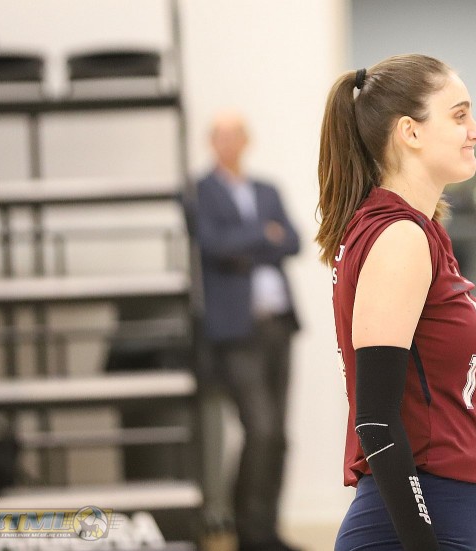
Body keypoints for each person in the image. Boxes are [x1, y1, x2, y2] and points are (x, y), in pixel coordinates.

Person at [317, 55, 476, 551]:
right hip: (418, 515)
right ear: (410, 132)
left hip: (446, 505)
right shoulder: (399, 237)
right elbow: (375, 420)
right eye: (459, 116)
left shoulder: (419, 229)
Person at [192, 111, 302, 551]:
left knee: (279, 437)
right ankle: (248, 532)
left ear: (246, 140)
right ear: (210, 142)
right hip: (236, 332)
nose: (228, 142)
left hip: (278, 325)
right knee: (261, 429)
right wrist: (262, 233)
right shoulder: (200, 191)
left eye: (234, 135)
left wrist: (247, 242)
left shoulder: (266, 189)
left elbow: (292, 241)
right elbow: (213, 245)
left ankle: (266, 531)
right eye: (220, 135)